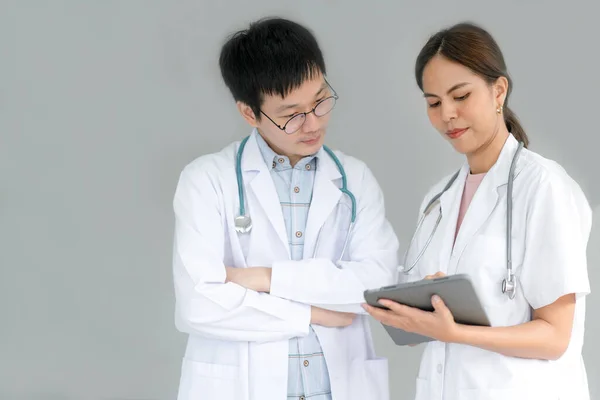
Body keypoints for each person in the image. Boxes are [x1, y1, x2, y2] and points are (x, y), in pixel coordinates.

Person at [171, 17, 399, 400]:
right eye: (291, 114)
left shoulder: (354, 180)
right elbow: (199, 303)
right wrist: (313, 314)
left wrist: (263, 278)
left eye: (320, 101)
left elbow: (376, 285)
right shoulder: (206, 180)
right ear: (250, 113)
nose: (312, 123)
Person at [363, 22, 592, 400]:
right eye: (434, 103)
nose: (447, 114)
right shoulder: (438, 199)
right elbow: (432, 318)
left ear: (498, 90)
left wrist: (455, 332)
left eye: (461, 96)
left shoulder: (544, 187)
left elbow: (555, 336)